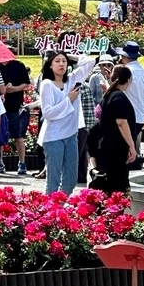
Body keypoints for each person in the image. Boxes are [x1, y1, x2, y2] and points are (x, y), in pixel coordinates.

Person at [37, 51, 95, 194]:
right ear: (50, 65)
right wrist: (68, 100)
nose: (61, 64)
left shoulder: (72, 80)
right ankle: (50, 212)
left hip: (71, 135)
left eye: (64, 61)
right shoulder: (47, 84)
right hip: (53, 137)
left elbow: (90, 62)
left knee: (71, 179)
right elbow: (48, 113)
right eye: (57, 61)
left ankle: (58, 207)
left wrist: (70, 55)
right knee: (53, 179)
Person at [93, 65, 137, 195]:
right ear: (128, 80)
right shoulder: (119, 96)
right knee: (118, 189)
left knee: (108, 188)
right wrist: (132, 146)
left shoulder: (110, 94)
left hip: (107, 148)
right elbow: (121, 122)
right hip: (116, 150)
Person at [114, 41, 144, 165]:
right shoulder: (142, 69)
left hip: (130, 115)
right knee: (130, 144)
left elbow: (118, 90)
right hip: (141, 114)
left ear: (124, 56)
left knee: (124, 147)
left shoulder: (128, 71)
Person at [80, 54, 114, 182]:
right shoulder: (95, 77)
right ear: (99, 66)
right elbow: (92, 95)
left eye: (109, 64)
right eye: (104, 65)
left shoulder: (113, 78)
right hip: (98, 113)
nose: (107, 67)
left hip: (109, 114)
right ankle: (94, 168)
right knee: (94, 142)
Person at [0, 56, 32, 175]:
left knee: (18, 135)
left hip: (15, 105)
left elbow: (26, 83)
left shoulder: (18, 65)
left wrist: (14, 89)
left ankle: (22, 162)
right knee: (0, 135)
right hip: (0, 105)